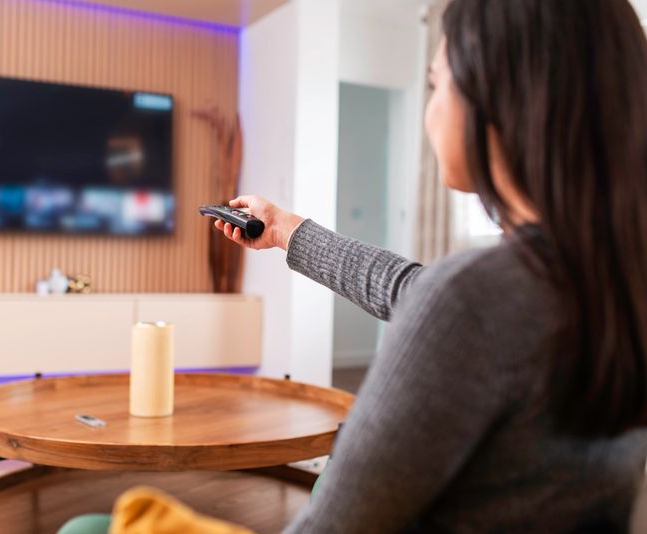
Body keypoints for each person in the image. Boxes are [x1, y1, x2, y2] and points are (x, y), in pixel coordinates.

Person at [213, 0, 647, 531]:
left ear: (501, 100)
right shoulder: (615, 281)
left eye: (437, 84)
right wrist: (285, 229)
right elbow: (411, 289)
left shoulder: (476, 299)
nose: (430, 110)